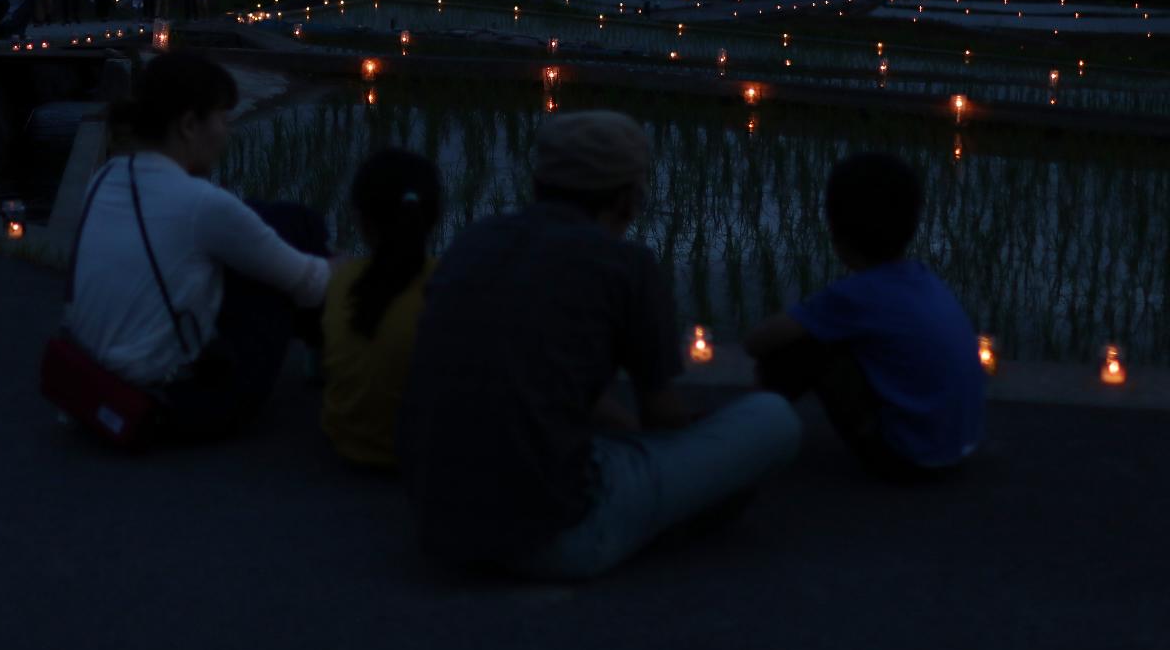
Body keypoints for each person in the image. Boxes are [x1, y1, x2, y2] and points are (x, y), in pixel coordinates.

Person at [400, 110, 800, 581]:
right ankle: (652, 520)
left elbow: (536, 376)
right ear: (628, 199)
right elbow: (661, 417)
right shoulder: (626, 264)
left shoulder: (474, 241)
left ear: (539, 184)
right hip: (555, 539)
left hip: (438, 527)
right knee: (772, 418)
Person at [64, 51, 331, 440]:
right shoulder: (201, 205)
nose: (227, 130)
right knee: (298, 227)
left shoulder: (104, 178)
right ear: (189, 124)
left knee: (266, 216)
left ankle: (324, 352)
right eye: (222, 118)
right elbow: (313, 283)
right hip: (167, 403)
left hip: (88, 384)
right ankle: (334, 360)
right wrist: (346, 264)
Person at [745, 153, 985, 481]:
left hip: (908, 461)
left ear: (836, 231)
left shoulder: (856, 295)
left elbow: (756, 342)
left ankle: (747, 431)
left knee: (806, 347)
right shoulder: (923, 278)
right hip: (957, 449)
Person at [321, 150, 442, 470]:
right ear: (433, 217)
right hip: (423, 454)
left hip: (346, 442)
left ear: (362, 219)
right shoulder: (451, 282)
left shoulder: (342, 279)